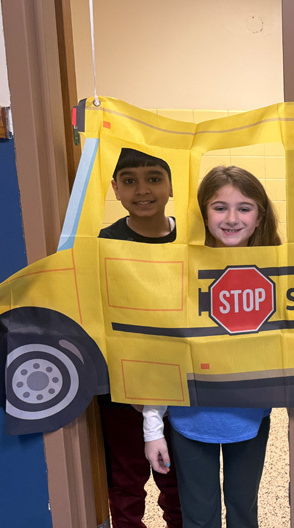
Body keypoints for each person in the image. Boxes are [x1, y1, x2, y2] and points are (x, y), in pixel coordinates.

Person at [144, 165, 281, 528]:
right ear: (204, 214)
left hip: (250, 419)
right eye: (220, 207)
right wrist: (152, 426)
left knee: (243, 510)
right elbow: (161, 351)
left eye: (244, 208)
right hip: (191, 421)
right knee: (199, 516)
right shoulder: (181, 272)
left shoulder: (281, 273)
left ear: (259, 216)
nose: (232, 218)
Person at [98, 148, 182, 528]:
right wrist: (129, 387)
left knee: (179, 484)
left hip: (182, 388)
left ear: (169, 185)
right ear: (115, 188)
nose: (142, 189)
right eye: (129, 180)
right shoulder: (104, 244)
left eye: (153, 178)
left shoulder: (193, 240)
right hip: (122, 390)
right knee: (126, 485)